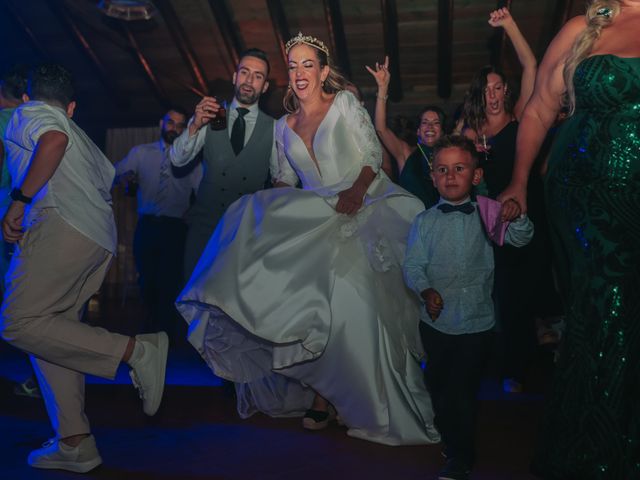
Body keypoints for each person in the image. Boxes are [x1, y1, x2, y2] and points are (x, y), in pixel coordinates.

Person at [177, 32, 440, 446]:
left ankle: (351, 398)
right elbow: (284, 179)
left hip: (364, 203)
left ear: (322, 72)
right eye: (294, 66)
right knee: (251, 221)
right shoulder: (282, 127)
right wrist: (271, 215)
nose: (300, 72)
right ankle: (323, 394)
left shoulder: (346, 104)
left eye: (307, 65)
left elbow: (372, 155)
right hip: (316, 212)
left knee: (353, 298)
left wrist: (355, 192)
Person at [0, 64, 168, 473]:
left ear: (27, 97)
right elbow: (105, 176)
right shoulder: (84, 137)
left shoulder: (32, 114)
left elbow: (52, 140)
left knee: (17, 322)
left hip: (60, 227)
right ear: (72, 106)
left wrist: (20, 199)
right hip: (97, 240)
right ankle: (75, 442)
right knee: (51, 335)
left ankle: (136, 351)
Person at [498, 1, 640, 477]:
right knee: (610, 306)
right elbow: (539, 108)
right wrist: (519, 180)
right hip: (588, 195)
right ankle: (594, 451)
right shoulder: (588, 26)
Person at [403, 135, 533, 480]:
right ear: (432, 178)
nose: (450, 176)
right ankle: (451, 435)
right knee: (440, 389)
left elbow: (521, 238)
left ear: (475, 176)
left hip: (477, 323)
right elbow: (413, 266)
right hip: (436, 324)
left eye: (459, 168)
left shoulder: (487, 211)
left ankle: (460, 456)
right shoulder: (424, 222)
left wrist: (516, 216)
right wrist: (426, 290)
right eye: (442, 170)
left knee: (462, 392)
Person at [461, 7, 543, 393]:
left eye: (498, 87)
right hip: (482, 221)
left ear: (505, 91)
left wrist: (510, 24)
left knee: (514, 296)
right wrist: (467, 149)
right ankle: (481, 365)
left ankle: (516, 368)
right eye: (486, 90)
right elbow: (451, 163)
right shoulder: (471, 128)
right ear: (479, 95)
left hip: (519, 215)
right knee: (481, 292)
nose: (493, 94)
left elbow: (531, 65)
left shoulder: (519, 116)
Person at [170, 48, 277, 279]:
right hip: (204, 229)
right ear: (234, 77)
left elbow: (281, 180)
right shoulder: (212, 115)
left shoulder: (275, 128)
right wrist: (194, 126)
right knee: (196, 301)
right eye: (245, 72)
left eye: (258, 76)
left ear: (265, 86)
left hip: (247, 230)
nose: (249, 80)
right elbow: (177, 160)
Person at [115, 107, 202, 341]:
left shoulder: (192, 160)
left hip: (175, 229)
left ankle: (165, 335)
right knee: (146, 279)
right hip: (147, 226)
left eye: (180, 125)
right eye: (170, 123)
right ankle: (150, 330)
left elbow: (204, 192)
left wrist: (193, 216)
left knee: (170, 281)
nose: (175, 128)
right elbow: (118, 173)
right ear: (161, 124)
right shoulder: (141, 152)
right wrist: (125, 178)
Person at [366, 56, 444, 208]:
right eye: (425, 123)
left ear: (442, 131)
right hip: (411, 224)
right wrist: (383, 88)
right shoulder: (406, 153)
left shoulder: (450, 156)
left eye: (435, 123)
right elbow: (381, 129)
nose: (430, 127)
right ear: (418, 131)